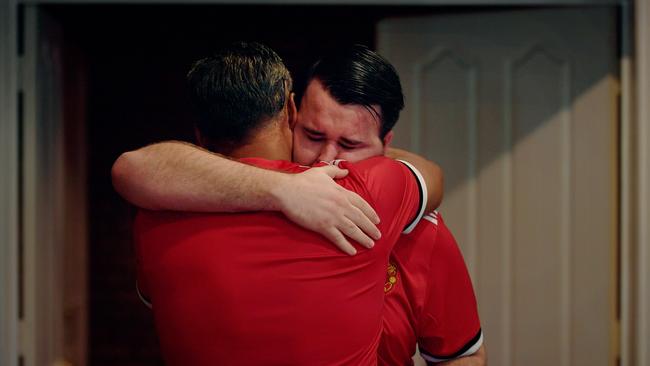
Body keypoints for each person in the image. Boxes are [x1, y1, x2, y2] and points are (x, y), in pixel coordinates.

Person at [113, 44, 486, 365]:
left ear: (386, 146)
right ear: (292, 115)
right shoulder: (183, 195)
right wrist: (283, 188)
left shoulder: (415, 227)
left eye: (351, 145)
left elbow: (461, 354)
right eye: (313, 135)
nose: (327, 161)